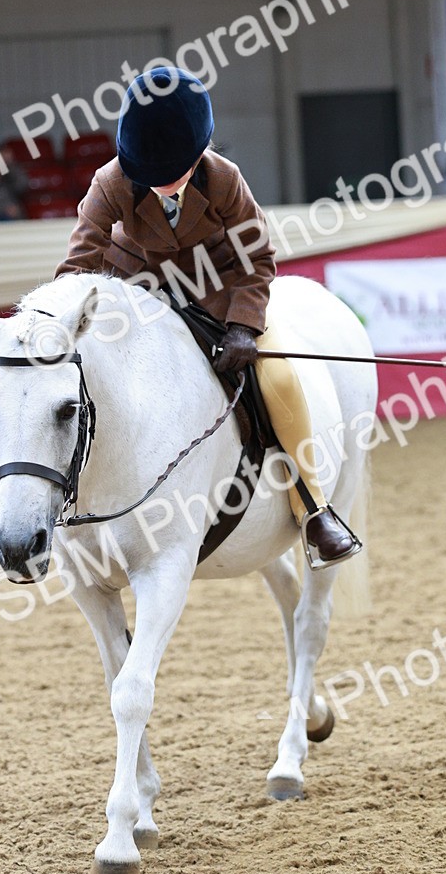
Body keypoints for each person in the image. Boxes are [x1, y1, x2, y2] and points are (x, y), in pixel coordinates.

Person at [54, 65, 359, 569]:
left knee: (279, 377)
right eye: (151, 178)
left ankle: (314, 509)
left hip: (221, 295)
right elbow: (78, 266)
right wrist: (58, 325)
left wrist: (243, 328)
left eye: (174, 175)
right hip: (140, 298)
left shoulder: (223, 180)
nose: (163, 188)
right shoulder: (110, 182)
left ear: (199, 153)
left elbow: (259, 259)